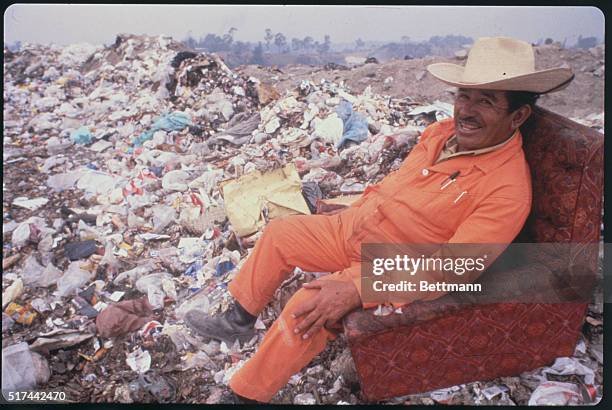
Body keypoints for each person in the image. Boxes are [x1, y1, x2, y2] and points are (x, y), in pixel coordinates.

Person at [184, 37, 575, 403]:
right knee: (282, 232)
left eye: (486, 101)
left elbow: (454, 267)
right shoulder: (440, 133)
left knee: (310, 306)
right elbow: (400, 185)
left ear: (519, 114)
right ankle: (239, 317)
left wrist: (358, 287)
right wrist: (351, 211)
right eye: (463, 96)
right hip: (356, 226)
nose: (466, 111)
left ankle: (245, 393)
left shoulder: (506, 189)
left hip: (391, 261)